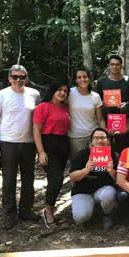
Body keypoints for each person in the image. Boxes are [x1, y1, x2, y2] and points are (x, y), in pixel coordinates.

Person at [0, 65, 41, 230]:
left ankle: (25, 210)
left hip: (28, 143)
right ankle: (9, 215)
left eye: (22, 77)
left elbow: (39, 120)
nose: (18, 80)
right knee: (9, 180)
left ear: (26, 78)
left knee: (28, 179)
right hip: (7, 142)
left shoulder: (34, 94)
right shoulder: (1, 95)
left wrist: (41, 146)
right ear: (9, 78)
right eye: (15, 77)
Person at [33, 80, 71, 227]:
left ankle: (51, 208)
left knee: (58, 179)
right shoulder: (43, 107)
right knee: (55, 179)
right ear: (53, 91)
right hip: (48, 144)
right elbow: (36, 130)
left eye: (65, 91)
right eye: (59, 90)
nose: (62, 93)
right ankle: (48, 211)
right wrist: (41, 152)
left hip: (63, 144)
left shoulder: (66, 107)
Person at [69, 128, 118, 229]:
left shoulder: (113, 155)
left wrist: (111, 170)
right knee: (80, 217)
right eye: (96, 138)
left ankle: (107, 215)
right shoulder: (83, 154)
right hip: (83, 191)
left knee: (109, 194)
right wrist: (86, 170)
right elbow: (72, 177)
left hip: (103, 190)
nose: (100, 140)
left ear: (108, 140)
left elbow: (119, 180)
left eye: (103, 138)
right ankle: (90, 211)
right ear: (91, 141)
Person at [68, 68, 106, 160]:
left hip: (93, 136)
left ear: (89, 78)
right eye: (79, 77)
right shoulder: (69, 93)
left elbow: (100, 119)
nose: (82, 80)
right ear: (76, 80)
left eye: (85, 77)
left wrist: (105, 135)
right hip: (76, 137)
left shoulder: (95, 96)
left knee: (96, 165)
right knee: (77, 165)